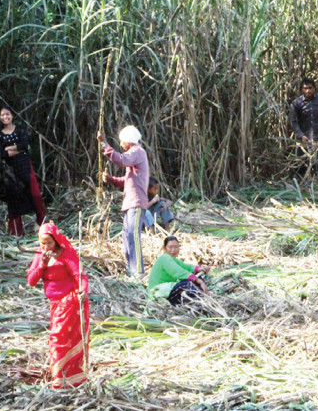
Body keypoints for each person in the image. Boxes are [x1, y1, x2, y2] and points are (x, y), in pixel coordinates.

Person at [26, 222, 90, 388]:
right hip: (54, 304)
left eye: (49, 242)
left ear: (56, 240)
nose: (46, 246)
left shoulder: (66, 253)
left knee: (58, 338)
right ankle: (61, 375)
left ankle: (62, 378)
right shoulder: (41, 255)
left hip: (69, 301)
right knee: (57, 338)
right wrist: (43, 264)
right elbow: (31, 280)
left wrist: (83, 290)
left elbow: (80, 275)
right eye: (42, 242)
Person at [97, 126, 149, 276]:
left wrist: (103, 144)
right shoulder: (135, 154)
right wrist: (111, 179)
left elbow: (121, 160)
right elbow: (126, 180)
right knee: (127, 236)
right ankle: (131, 268)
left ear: (129, 140)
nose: (121, 144)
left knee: (133, 235)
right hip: (130, 202)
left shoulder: (137, 151)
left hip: (136, 202)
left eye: (122, 141)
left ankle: (138, 271)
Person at [0, 107, 47, 235]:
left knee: (35, 194)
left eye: (7, 114)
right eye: (2, 115)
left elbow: (25, 145)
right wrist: (19, 150)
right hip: (10, 170)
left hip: (25, 166)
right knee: (13, 198)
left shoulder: (20, 129)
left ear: (12, 115)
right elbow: (2, 154)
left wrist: (11, 148)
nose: (5, 117)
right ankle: (16, 232)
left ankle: (44, 225)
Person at [147, 236, 210, 305]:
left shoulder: (173, 259)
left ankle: (201, 294)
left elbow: (186, 267)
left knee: (194, 275)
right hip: (158, 294)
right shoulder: (164, 258)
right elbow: (178, 272)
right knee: (186, 284)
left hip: (166, 291)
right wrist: (199, 281)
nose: (173, 250)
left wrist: (200, 268)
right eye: (170, 247)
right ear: (164, 248)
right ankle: (200, 296)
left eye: (176, 247)